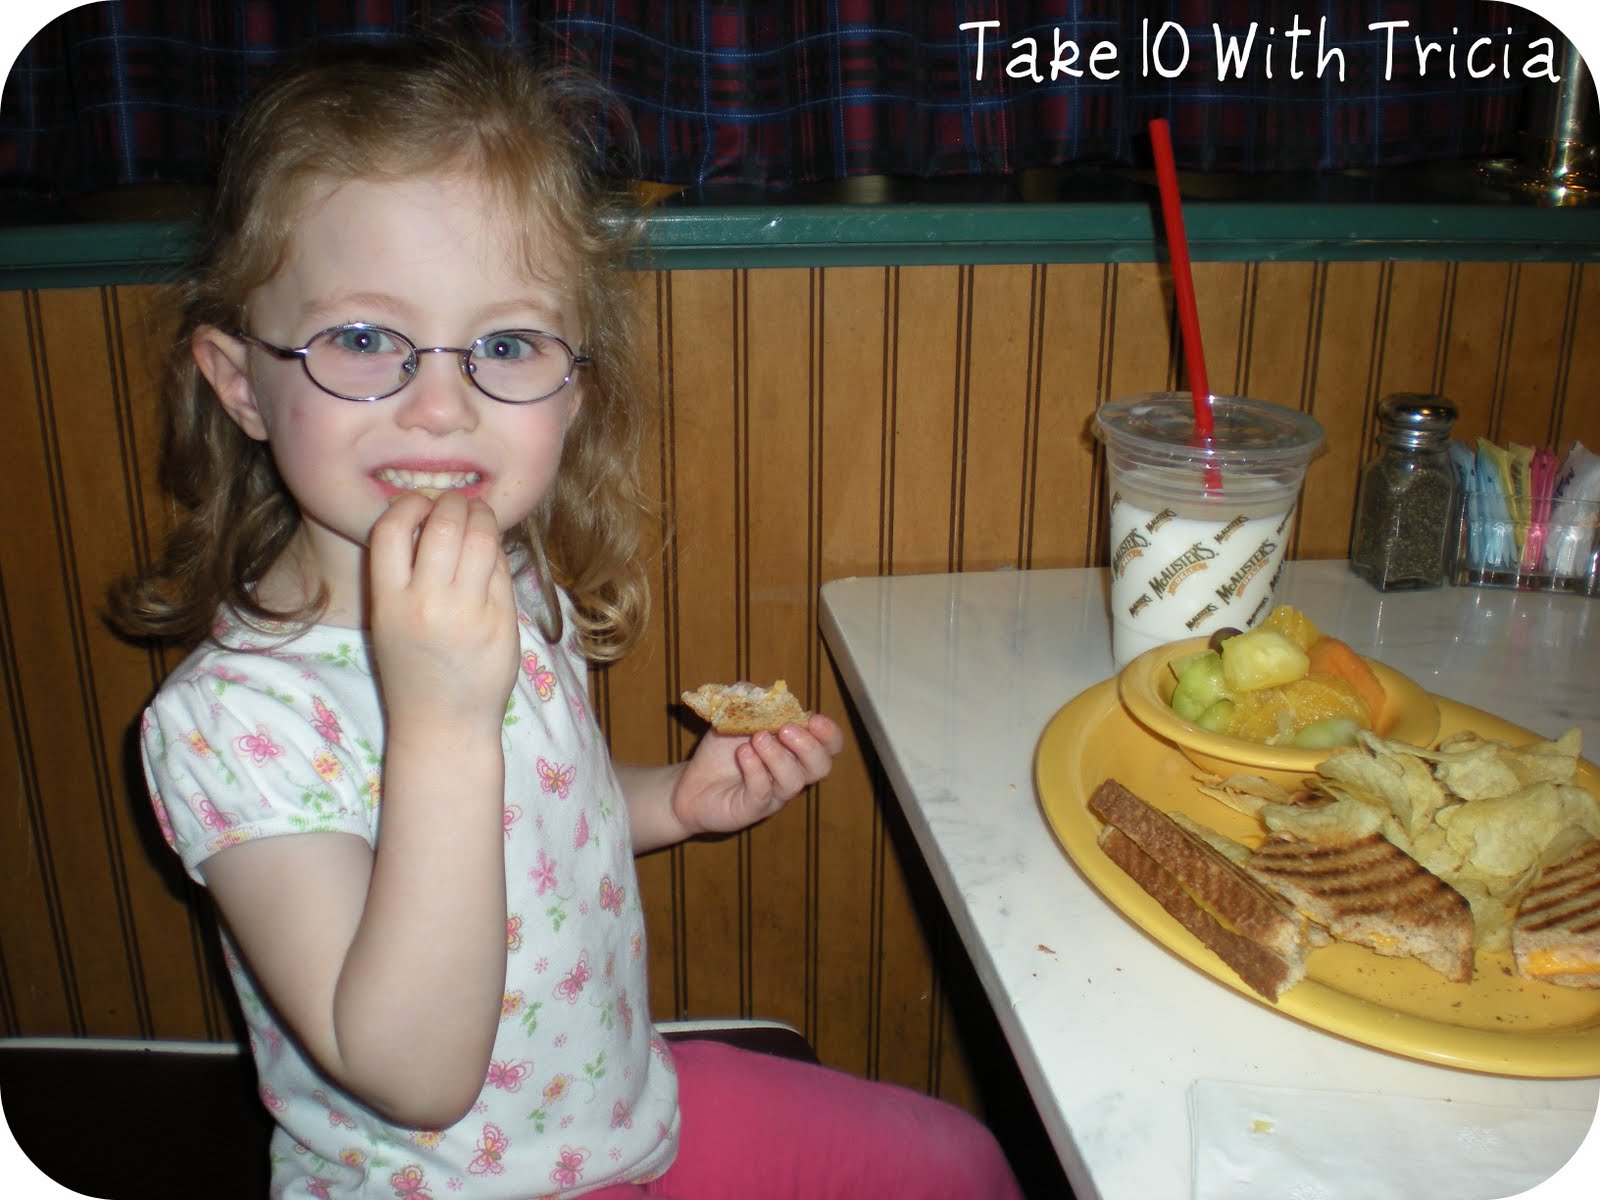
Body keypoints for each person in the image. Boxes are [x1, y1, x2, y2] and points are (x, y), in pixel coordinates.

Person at [110, 34, 1025, 1200]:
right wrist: (443, 720)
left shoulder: (509, 575)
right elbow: (412, 1073)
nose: (441, 406)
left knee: (960, 1165)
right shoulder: (234, 724)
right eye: (363, 339)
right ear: (242, 383)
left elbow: (541, 812)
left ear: (572, 385)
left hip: (618, 1112)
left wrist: (674, 801)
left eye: (503, 344)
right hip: (441, 1183)